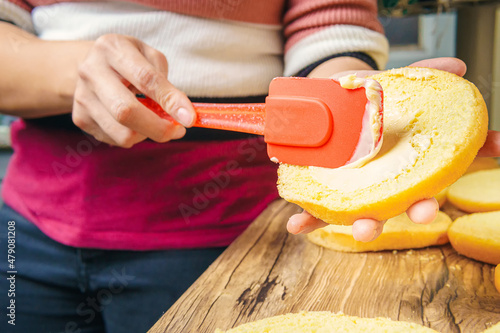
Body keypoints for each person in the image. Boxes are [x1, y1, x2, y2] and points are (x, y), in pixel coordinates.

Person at [0, 1, 498, 332]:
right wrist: (73, 71)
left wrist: (353, 105)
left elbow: (329, 32)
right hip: (26, 238)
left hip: (218, 246)